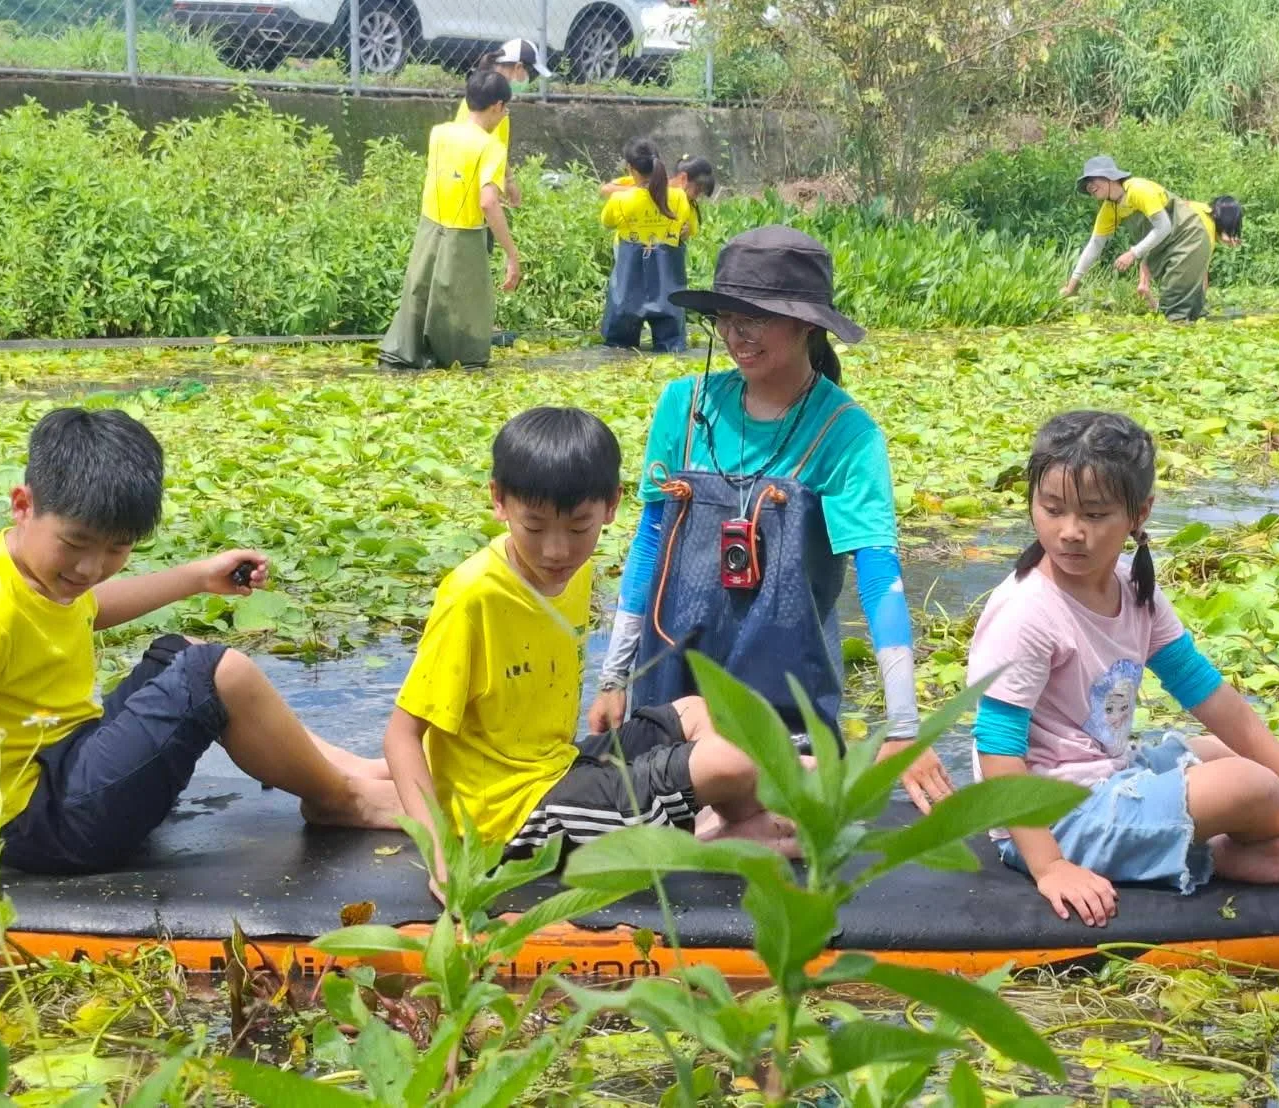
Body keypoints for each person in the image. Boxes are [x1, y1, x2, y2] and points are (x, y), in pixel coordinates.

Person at [0, 408, 401, 946]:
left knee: (184, 651)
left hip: (64, 764)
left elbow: (86, 607)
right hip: (48, 824)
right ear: (23, 504)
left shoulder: (27, 569)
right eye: (76, 542)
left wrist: (196, 577)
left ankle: (350, 768)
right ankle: (340, 798)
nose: (90, 567)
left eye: (117, 548)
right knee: (216, 673)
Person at [588, 226, 956, 812]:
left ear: (808, 323)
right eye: (727, 316)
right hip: (672, 687)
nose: (738, 333)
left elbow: (879, 577)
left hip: (786, 695)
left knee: (782, 823)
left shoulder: (846, 434)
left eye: (757, 316)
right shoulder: (684, 407)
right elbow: (649, 541)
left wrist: (905, 728)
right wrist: (613, 679)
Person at [968, 410, 1279, 927]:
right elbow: (998, 750)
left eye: (1094, 515)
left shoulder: (1134, 587)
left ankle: (1235, 847)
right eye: (1052, 509)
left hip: (1107, 779)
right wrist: (1050, 868)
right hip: (1052, 820)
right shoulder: (1027, 612)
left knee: (1224, 752)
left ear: (1139, 513)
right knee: (1248, 784)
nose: (1070, 532)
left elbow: (1210, 696)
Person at [383, 407, 799, 895]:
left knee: (702, 710)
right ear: (499, 500)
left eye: (579, 529)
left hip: (558, 766)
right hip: (512, 819)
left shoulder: (574, 572)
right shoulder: (473, 596)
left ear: (611, 506)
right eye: (534, 528)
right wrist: (440, 858)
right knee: (730, 762)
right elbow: (401, 736)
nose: (556, 552)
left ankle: (741, 821)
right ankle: (719, 836)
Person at [380, 68, 521, 370]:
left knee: (421, 289)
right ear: (497, 107)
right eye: (504, 109)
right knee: (464, 303)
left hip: (430, 225)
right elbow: (487, 201)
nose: (504, 114)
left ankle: (407, 351)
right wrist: (512, 254)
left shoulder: (439, 133)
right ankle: (459, 359)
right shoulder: (490, 146)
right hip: (465, 232)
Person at [1062, 156, 1214, 322]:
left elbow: (1164, 226)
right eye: (1086, 184)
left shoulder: (1138, 189)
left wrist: (1133, 253)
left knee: (1175, 296)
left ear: (1110, 177)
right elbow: (1095, 245)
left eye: (1093, 179)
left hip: (1188, 235)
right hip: (1166, 246)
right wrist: (1072, 285)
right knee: (1190, 306)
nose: (1090, 186)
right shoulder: (1110, 208)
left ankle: (1179, 334)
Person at [599, 138, 697, 353]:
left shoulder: (621, 199)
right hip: (667, 285)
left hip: (629, 283)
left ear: (631, 168)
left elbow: (606, 222)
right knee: (671, 348)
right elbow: (691, 229)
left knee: (618, 348)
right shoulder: (679, 197)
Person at [458, 39, 551, 210]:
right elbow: (478, 152)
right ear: (518, 67)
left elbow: (495, 149)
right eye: (531, 73)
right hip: (476, 201)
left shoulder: (481, 97)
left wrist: (508, 180)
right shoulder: (493, 108)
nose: (530, 80)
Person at [1137, 195, 1243, 309]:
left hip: (1161, 224)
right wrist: (1200, 300)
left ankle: (1144, 284)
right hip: (1178, 237)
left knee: (1152, 251)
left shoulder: (1201, 207)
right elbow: (1203, 270)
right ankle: (1170, 305)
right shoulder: (1206, 230)